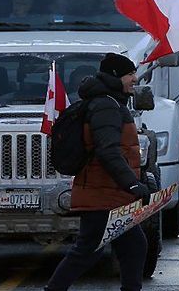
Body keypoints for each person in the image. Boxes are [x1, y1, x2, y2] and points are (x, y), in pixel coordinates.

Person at [44, 52, 150, 291]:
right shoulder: (106, 106)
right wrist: (131, 184)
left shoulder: (110, 103)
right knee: (87, 250)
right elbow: (108, 150)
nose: (135, 78)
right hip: (103, 194)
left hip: (110, 193)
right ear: (115, 76)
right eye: (130, 74)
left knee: (133, 247)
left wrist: (137, 181)